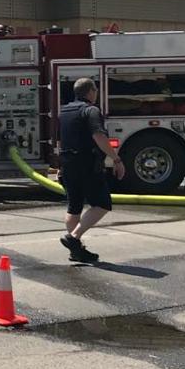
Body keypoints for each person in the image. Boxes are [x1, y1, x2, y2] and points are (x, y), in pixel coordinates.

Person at [58, 78, 125, 263]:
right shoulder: (91, 110)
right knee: (103, 203)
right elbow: (98, 136)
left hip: (67, 163)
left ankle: (76, 251)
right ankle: (74, 237)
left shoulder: (64, 111)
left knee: (74, 207)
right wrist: (117, 159)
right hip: (86, 163)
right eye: (95, 90)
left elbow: (60, 140)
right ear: (91, 92)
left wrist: (60, 165)